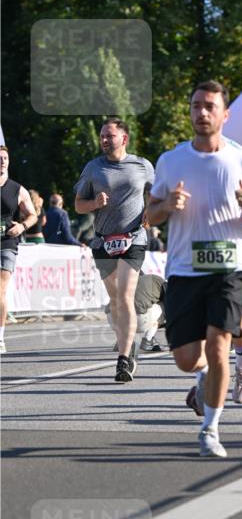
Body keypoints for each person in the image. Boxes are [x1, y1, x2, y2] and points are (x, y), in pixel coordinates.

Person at [147, 80, 242, 458]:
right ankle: (203, 377)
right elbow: (150, 216)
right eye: (196, 105)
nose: (202, 112)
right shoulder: (171, 161)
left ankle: (210, 429)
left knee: (219, 347)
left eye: (210, 106)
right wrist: (166, 205)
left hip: (229, 270)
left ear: (225, 115)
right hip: (184, 270)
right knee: (187, 359)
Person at [74, 118, 154, 382]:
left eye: (109, 136)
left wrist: (151, 210)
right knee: (116, 300)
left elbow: (156, 195)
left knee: (125, 295)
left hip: (134, 239)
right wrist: (94, 203)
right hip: (103, 241)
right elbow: (78, 205)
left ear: (124, 139)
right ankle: (128, 345)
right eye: (102, 136)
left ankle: (123, 359)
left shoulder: (142, 165)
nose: (105, 140)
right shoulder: (93, 168)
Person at [0, 146, 37, 353]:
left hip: (7, 242)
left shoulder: (17, 189)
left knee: (0, 289)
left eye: (5, 158)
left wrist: (22, 226)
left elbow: (32, 215)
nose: (2, 162)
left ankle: (0, 338)